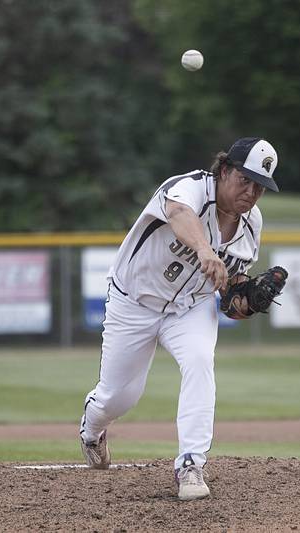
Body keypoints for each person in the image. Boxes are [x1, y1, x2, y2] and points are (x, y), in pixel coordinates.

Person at [79, 137, 280, 500]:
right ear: (224, 171)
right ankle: (92, 429)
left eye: (260, 187)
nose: (251, 192)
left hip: (190, 307)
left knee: (201, 361)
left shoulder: (252, 225)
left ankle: (191, 464)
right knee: (118, 398)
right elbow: (178, 214)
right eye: (245, 180)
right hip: (133, 301)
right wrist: (204, 248)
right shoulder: (187, 187)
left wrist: (245, 303)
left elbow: (229, 294)